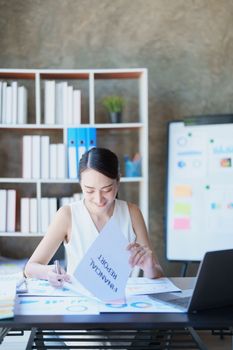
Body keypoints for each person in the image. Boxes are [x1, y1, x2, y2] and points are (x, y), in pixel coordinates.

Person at [24, 147, 164, 286]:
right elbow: (30, 268)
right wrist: (48, 272)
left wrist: (149, 267)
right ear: (80, 185)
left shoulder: (132, 213)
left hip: (121, 302)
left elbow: (157, 272)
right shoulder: (67, 215)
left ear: (118, 181)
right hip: (78, 302)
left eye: (107, 190)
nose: (99, 199)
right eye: (90, 191)